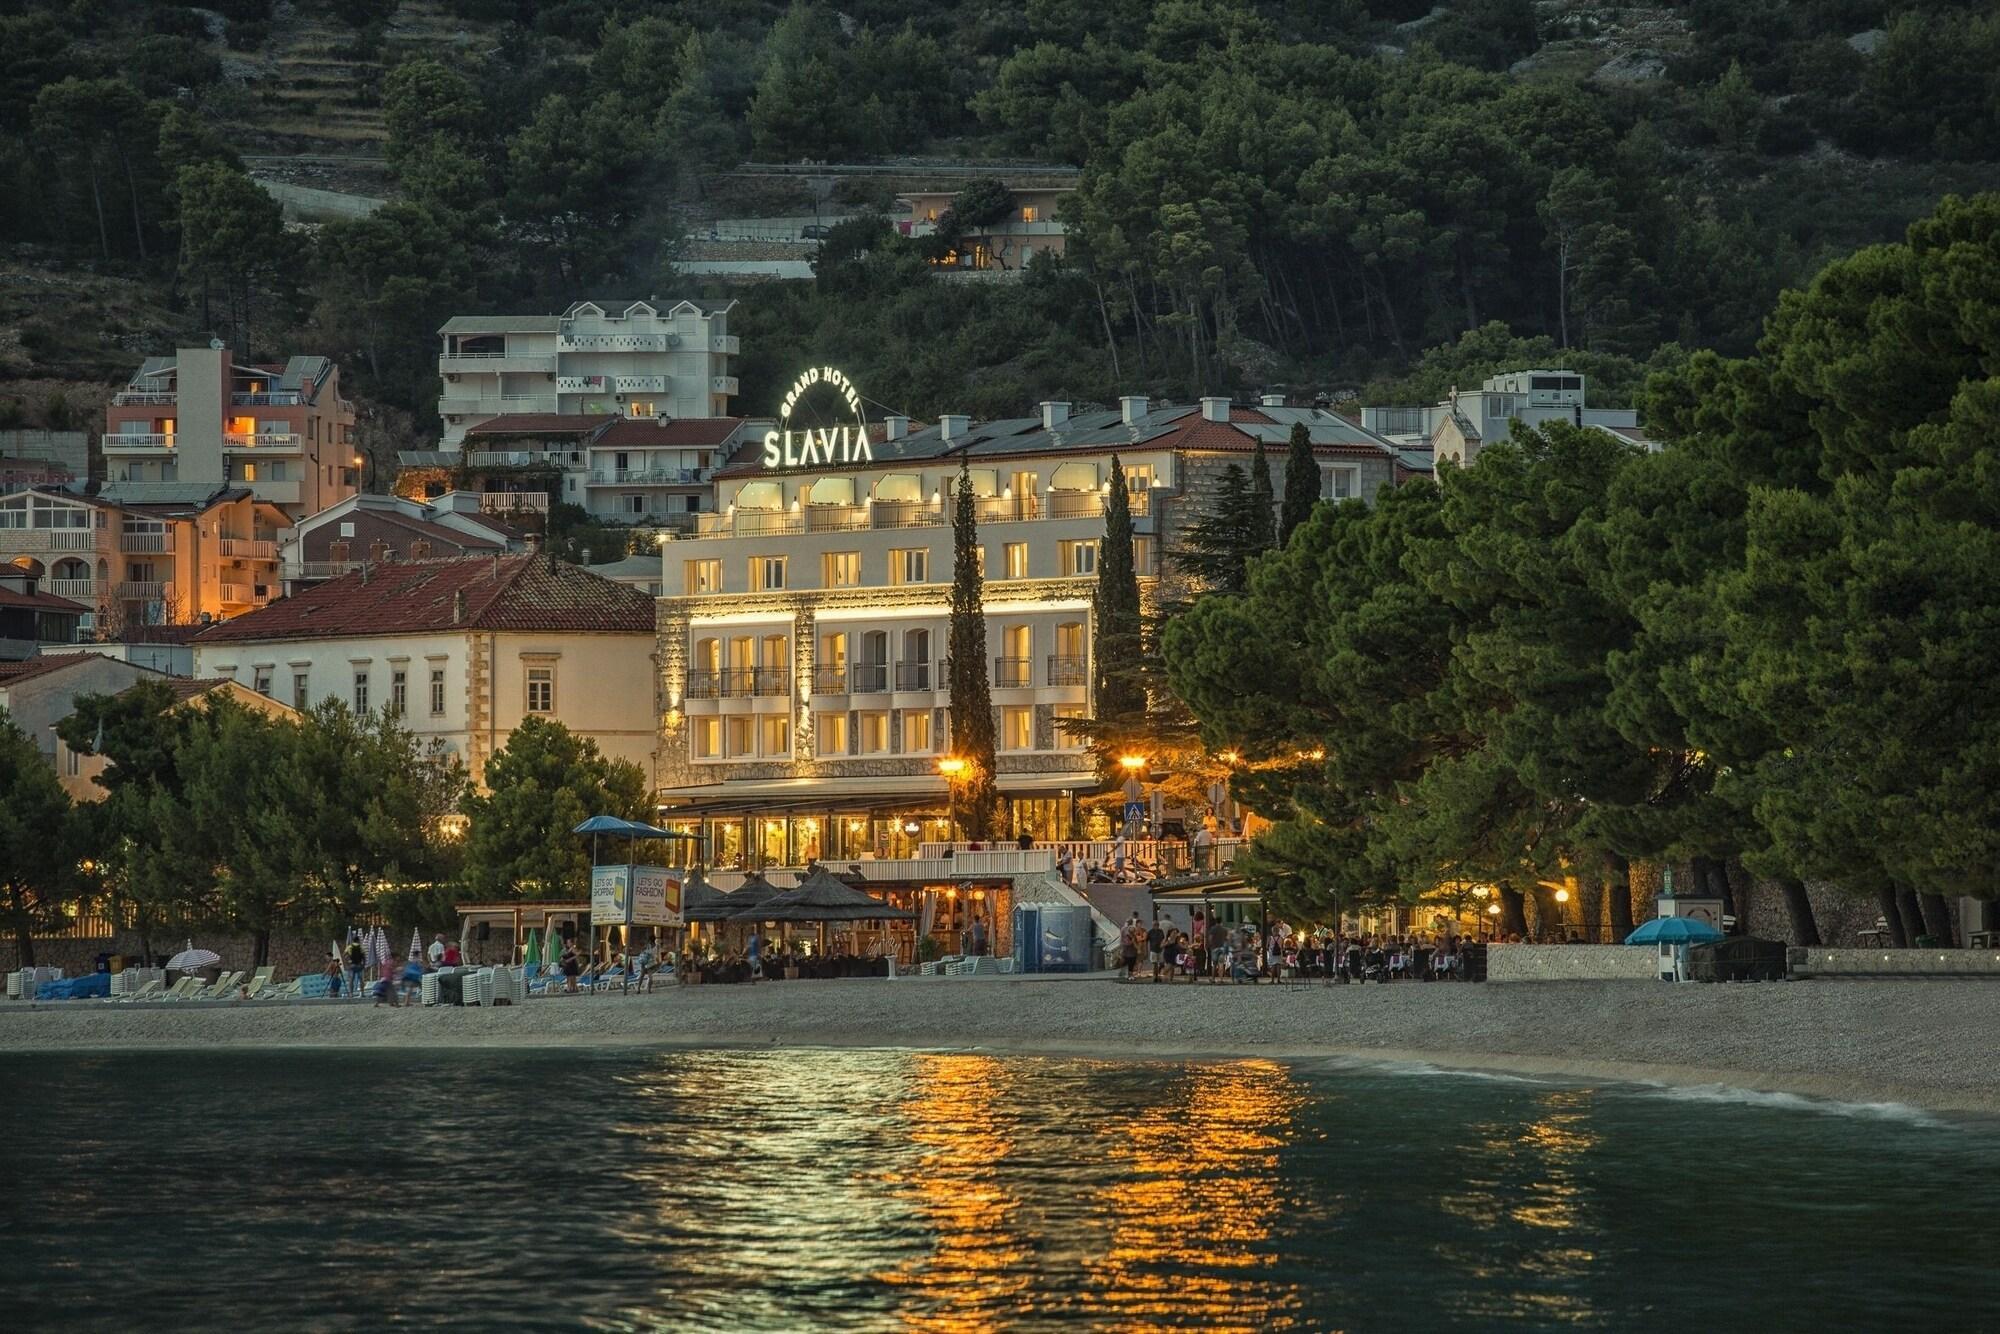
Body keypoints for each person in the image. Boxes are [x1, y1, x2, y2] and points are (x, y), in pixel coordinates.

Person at [343, 936, 366, 1000]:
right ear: (358, 940)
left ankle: (351, 994)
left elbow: (344, 955)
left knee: (351, 980)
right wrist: (363, 965)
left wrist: (347, 963)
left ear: (353, 940)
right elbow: (364, 957)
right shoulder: (361, 947)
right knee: (361, 980)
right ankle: (362, 993)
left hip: (352, 965)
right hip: (359, 965)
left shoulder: (349, 947)